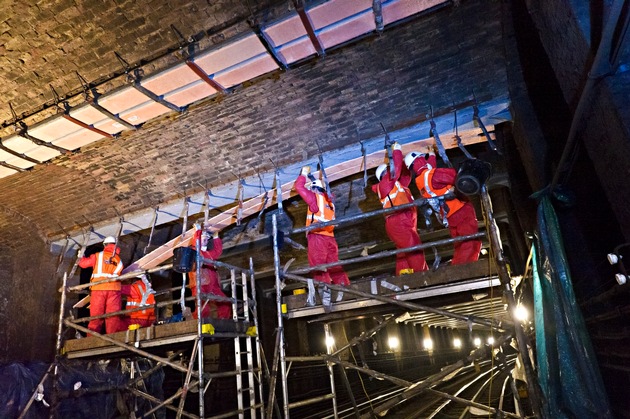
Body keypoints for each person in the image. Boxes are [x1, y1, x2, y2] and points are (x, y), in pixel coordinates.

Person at [405, 148, 482, 264]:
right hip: (460, 208)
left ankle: (457, 266)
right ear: (420, 160)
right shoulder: (431, 175)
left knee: (459, 244)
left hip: (448, 214)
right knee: (470, 241)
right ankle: (466, 267)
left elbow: (431, 172)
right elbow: (454, 175)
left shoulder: (420, 180)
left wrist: (431, 155)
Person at [295, 167, 350, 305]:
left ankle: (326, 299)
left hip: (317, 237)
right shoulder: (329, 203)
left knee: (319, 267)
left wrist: (303, 174)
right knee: (334, 266)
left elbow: (299, 187)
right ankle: (346, 289)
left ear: (314, 189)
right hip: (330, 238)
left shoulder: (315, 199)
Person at [372, 142, 428, 275]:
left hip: (404, 221)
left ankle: (404, 277)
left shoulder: (396, 186)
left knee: (404, 252)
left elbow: (405, 176)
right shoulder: (384, 184)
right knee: (414, 249)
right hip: (398, 221)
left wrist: (402, 160)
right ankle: (423, 276)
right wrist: (396, 151)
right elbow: (396, 172)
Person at [78, 236, 124, 334]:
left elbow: (83, 264)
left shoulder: (98, 256)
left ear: (105, 245)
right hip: (114, 290)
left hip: (99, 289)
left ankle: (91, 340)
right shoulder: (119, 260)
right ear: (115, 246)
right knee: (113, 317)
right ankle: (113, 339)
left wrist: (80, 256)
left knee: (96, 317)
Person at [188, 226, 231, 319]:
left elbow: (217, 252)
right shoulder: (195, 251)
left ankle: (224, 320)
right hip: (200, 283)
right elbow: (196, 244)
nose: (206, 241)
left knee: (225, 302)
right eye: (204, 239)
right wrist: (198, 231)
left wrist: (216, 238)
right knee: (203, 306)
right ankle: (200, 323)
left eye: (207, 239)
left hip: (213, 284)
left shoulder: (208, 253)